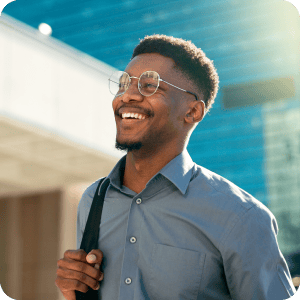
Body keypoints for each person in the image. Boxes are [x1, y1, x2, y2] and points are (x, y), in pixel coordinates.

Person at [55, 34, 297, 300]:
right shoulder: (93, 199)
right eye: (124, 84)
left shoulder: (243, 217)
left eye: (149, 85)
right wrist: (73, 293)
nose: (127, 96)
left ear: (192, 112)